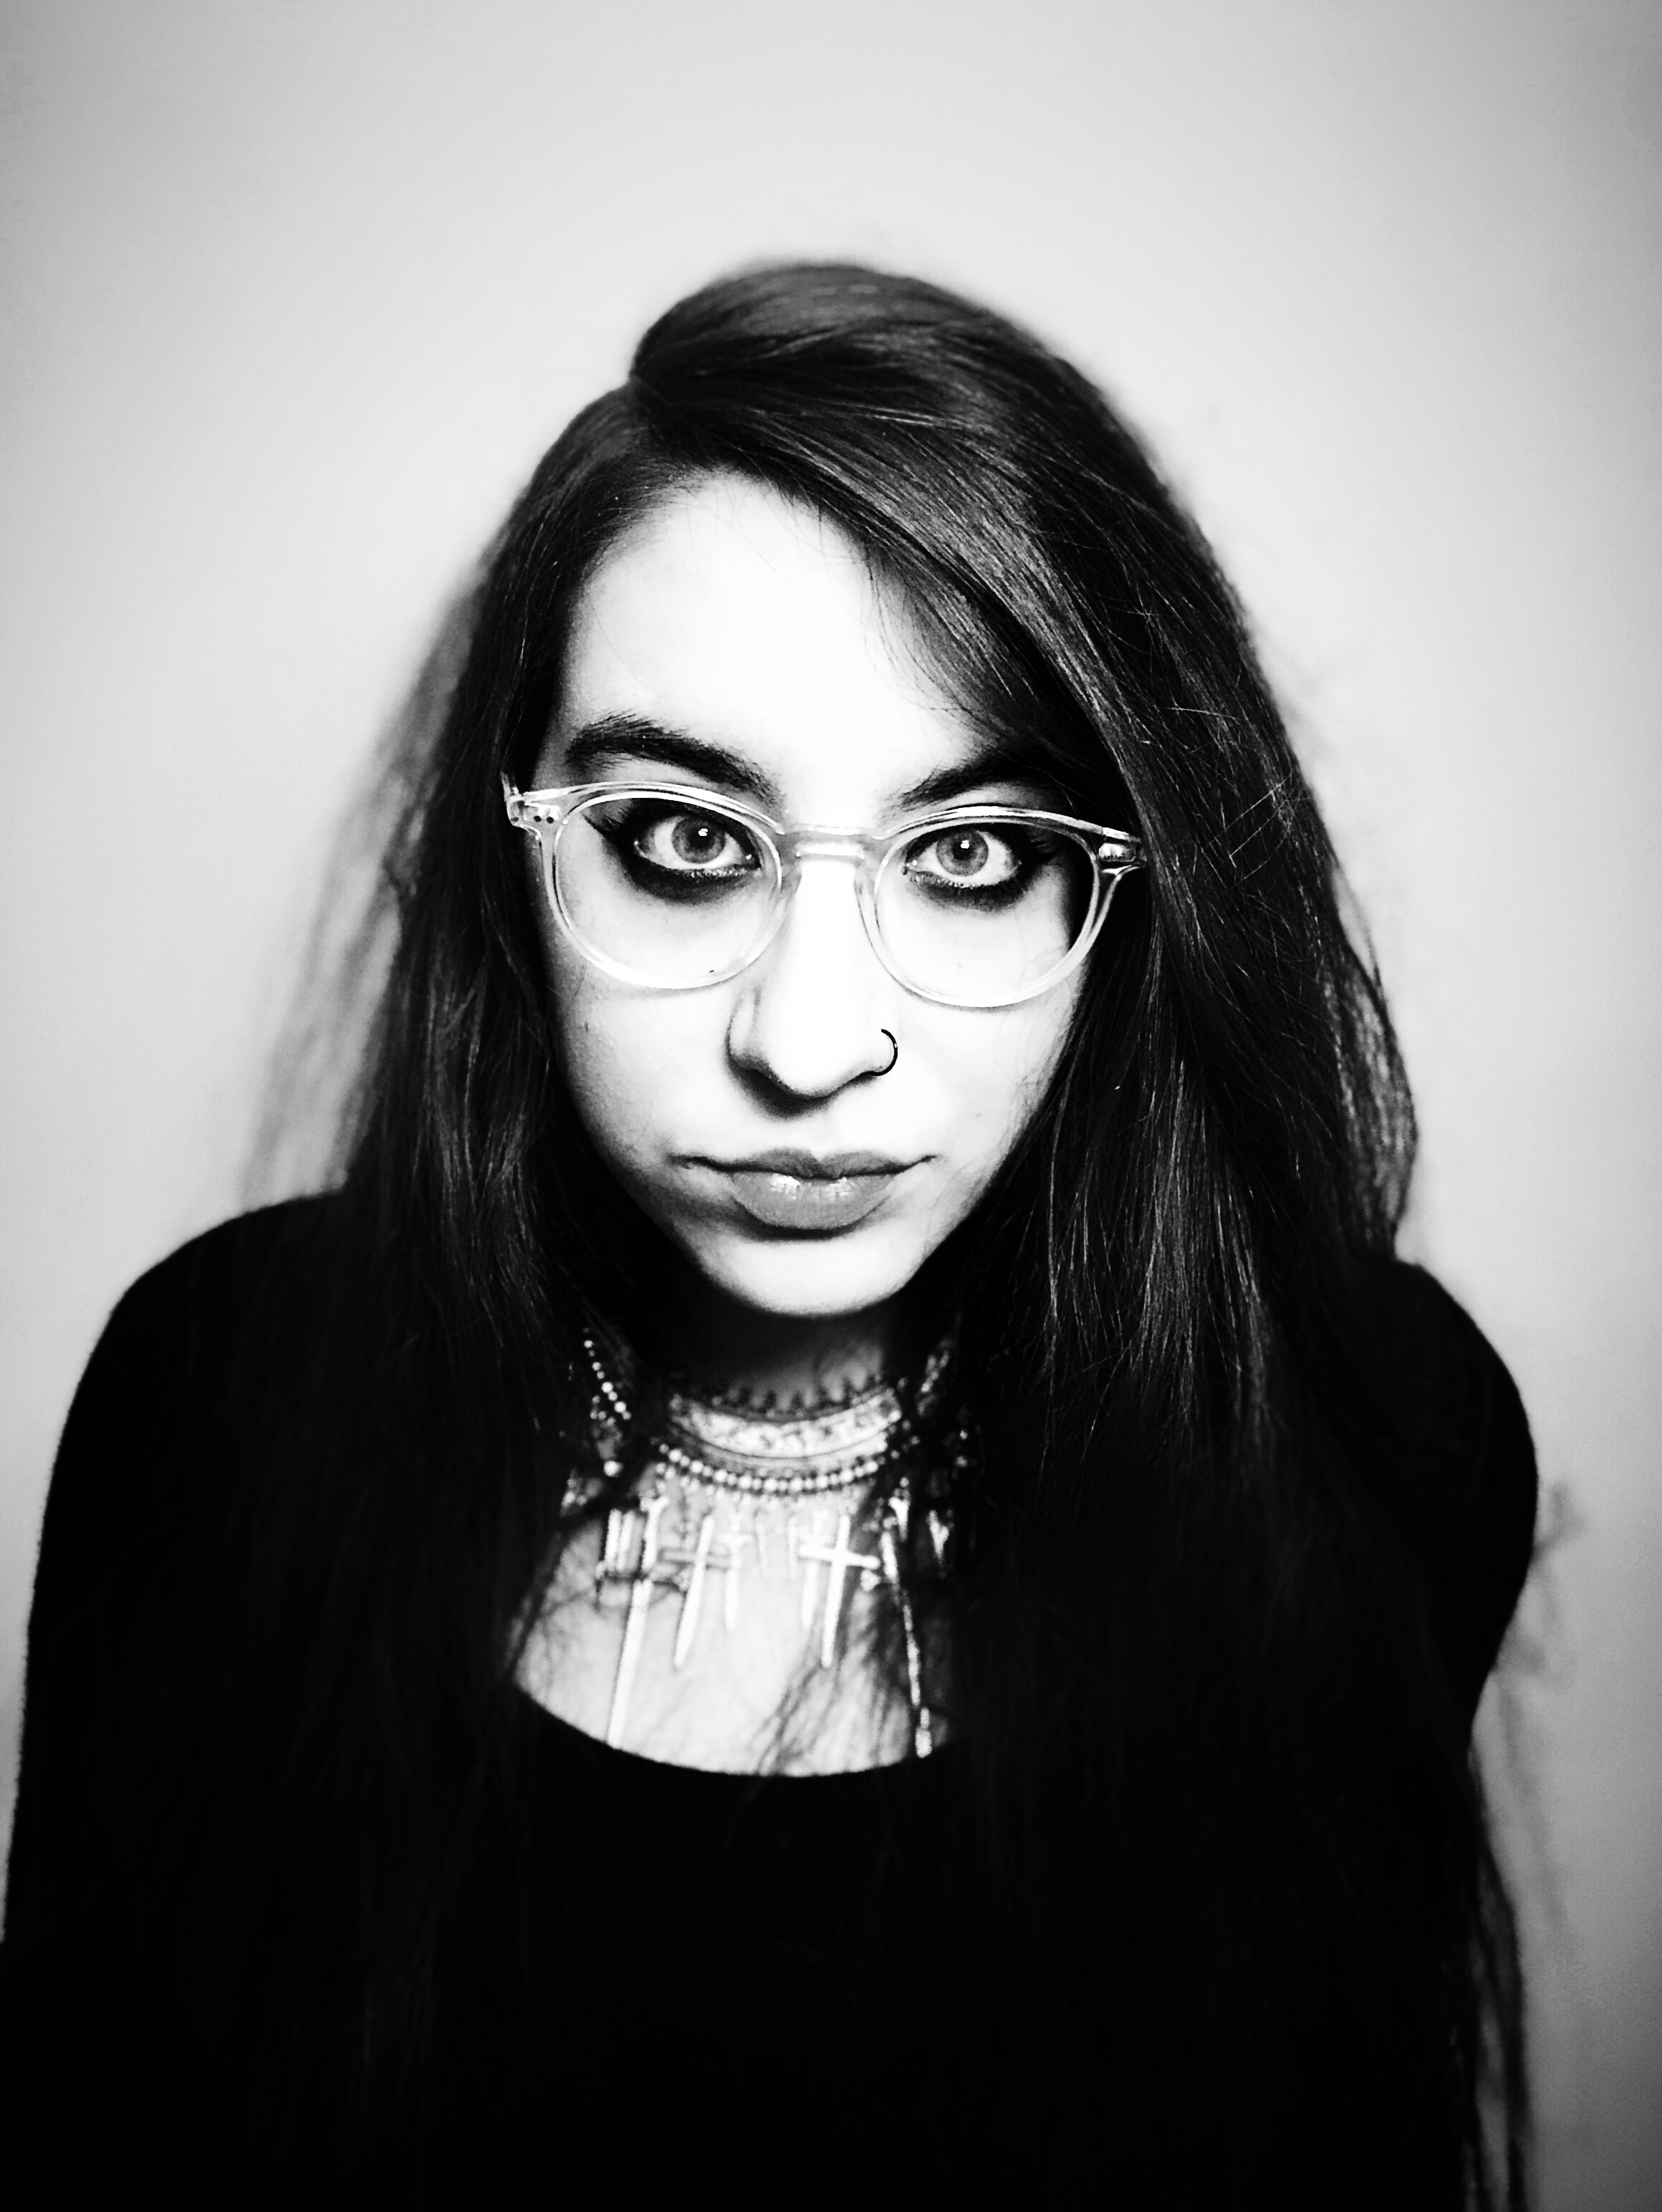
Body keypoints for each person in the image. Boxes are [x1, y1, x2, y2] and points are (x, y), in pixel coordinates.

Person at [1, 263, 1536, 2206]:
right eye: (685, 841)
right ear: (517, 849)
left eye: (975, 854)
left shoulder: (1366, 1442)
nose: (809, 1048)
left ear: (1133, 905)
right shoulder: (224, 1407)